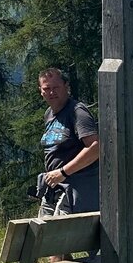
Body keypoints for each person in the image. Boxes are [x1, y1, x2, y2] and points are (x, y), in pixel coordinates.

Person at [38, 67, 100, 217]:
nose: (52, 92)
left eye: (56, 87)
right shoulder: (49, 114)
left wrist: (63, 172)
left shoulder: (77, 112)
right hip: (54, 189)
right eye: (47, 88)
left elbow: (96, 147)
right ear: (41, 91)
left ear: (66, 87)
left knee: (64, 237)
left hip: (76, 191)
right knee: (43, 236)